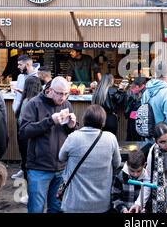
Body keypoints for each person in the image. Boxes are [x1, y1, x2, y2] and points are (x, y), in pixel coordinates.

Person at [19, 76, 77, 213]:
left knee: (57, 208)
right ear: (50, 90)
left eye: (66, 94)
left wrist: (72, 126)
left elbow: (68, 133)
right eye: (60, 93)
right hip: (39, 168)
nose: (63, 97)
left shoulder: (67, 104)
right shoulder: (34, 104)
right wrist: (49, 121)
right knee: (36, 208)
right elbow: (24, 131)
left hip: (61, 168)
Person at [59, 105, 121, 213]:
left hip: (74, 203)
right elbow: (117, 163)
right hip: (102, 204)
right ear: (103, 121)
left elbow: (61, 157)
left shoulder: (73, 137)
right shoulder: (110, 138)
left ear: (84, 119)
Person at [13, 76, 43, 183]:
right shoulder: (42, 101)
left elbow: (21, 121)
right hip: (40, 139)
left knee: (27, 164)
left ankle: (28, 191)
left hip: (26, 138)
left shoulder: (26, 101)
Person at [124, 77, 147, 141]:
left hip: (137, 120)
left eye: (135, 87)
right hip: (136, 119)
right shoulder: (144, 92)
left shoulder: (145, 93)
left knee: (134, 137)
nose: (133, 89)